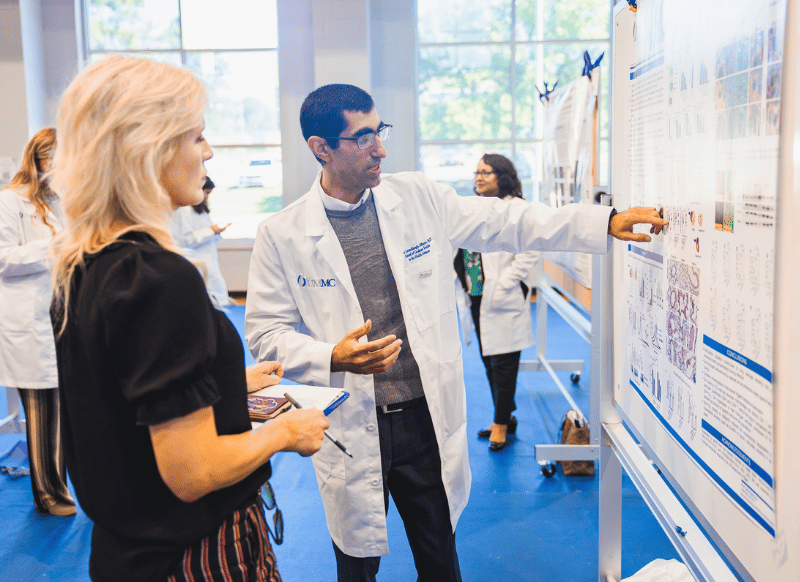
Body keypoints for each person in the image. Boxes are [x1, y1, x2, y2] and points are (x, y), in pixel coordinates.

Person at [244, 83, 666, 582]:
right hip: (353, 423)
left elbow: (510, 220)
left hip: (424, 416)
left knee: (439, 555)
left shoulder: (417, 197)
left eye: (380, 131)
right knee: (356, 565)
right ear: (322, 149)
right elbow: (265, 334)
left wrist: (605, 220)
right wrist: (330, 355)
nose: (380, 147)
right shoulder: (282, 234)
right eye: (362, 138)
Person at [49, 55, 329, 582]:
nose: (209, 152)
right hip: (196, 557)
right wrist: (285, 432)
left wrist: (223, 385)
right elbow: (192, 472)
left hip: (126, 553)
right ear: (149, 151)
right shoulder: (158, 278)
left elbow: (123, 402)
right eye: (196, 137)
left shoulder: (86, 266)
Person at [0, 127, 76, 516]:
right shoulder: (9, 201)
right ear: (38, 159)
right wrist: (54, 245)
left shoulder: (59, 202)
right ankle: (48, 494)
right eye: (55, 161)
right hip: (29, 322)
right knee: (41, 412)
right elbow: (3, 259)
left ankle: (60, 487)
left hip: (61, 314)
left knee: (62, 409)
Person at [454, 153, 539, 451]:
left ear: (502, 175)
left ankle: (502, 423)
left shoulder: (517, 208)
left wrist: (505, 282)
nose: (478, 177)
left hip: (501, 295)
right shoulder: (474, 207)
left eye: (486, 172)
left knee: (504, 364)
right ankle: (504, 416)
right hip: (476, 295)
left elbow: (531, 249)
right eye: (476, 172)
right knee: (489, 361)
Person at [170, 176, 235, 308]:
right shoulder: (185, 210)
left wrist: (216, 231)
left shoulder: (200, 210)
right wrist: (210, 231)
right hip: (196, 262)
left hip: (208, 261)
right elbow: (185, 240)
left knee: (216, 304)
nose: (207, 197)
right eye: (206, 193)